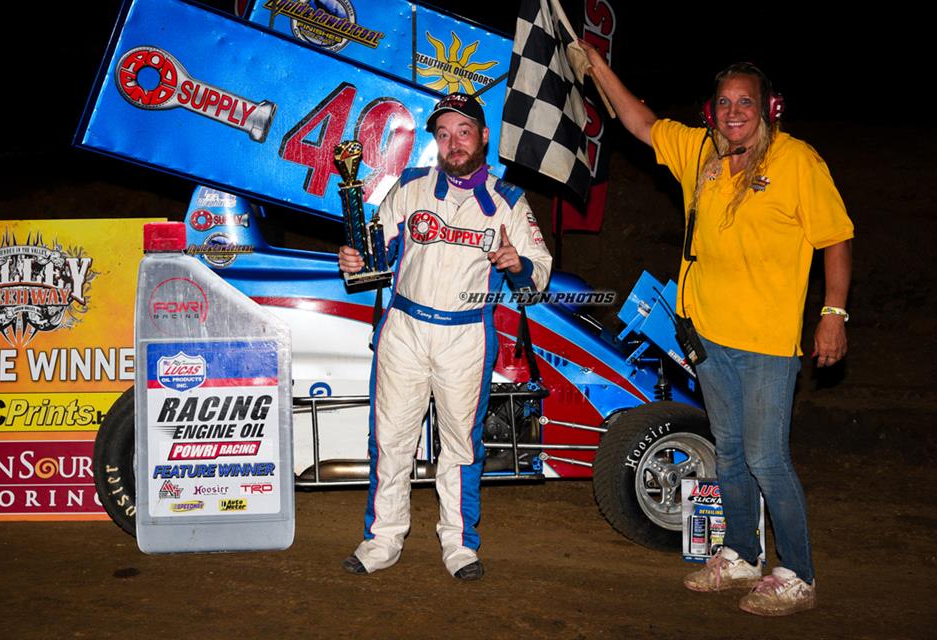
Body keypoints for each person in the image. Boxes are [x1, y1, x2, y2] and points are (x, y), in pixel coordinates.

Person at [578, 43, 853, 616]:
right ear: (712, 110)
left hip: (767, 343)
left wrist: (833, 314)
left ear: (769, 107)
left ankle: (797, 574)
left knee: (766, 457)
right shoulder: (701, 152)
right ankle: (742, 554)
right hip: (707, 339)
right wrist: (598, 68)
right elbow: (641, 122)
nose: (734, 112)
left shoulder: (797, 161)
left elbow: (835, 237)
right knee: (727, 453)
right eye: (724, 102)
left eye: (745, 102)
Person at [337, 92, 553, 581]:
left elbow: (539, 275)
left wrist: (518, 264)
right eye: (443, 133)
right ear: (435, 141)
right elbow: (374, 257)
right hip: (405, 330)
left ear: (482, 138)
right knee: (390, 440)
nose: (454, 142)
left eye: (464, 131)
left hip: (466, 338)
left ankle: (458, 543)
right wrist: (353, 260)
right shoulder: (410, 188)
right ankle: (383, 538)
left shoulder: (510, 202)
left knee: (461, 446)